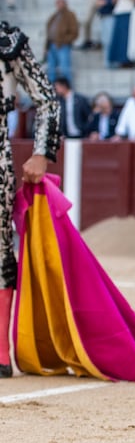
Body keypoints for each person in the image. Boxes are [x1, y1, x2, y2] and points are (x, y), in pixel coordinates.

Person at [0, 20, 61, 375]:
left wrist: (41, 152)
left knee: (0, 246)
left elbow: (48, 100)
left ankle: (0, 352)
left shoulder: (7, 42)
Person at [44, 0, 79, 85]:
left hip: (62, 45)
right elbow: (49, 33)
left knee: (65, 70)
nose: (59, 4)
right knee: (51, 70)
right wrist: (46, 47)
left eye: (61, 2)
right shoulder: (54, 16)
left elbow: (74, 32)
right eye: (57, 2)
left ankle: (68, 89)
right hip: (51, 45)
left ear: (65, 3)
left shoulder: (70, 15)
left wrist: (64, 40)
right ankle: (52, 90)